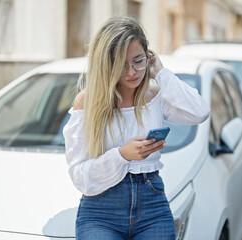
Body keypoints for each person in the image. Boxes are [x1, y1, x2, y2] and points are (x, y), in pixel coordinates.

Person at [63, 16, 209, 240]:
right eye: (121, 65)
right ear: (106, 64)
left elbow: (199, 111)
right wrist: (123, 155)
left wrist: (160, 72)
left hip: (152, 206)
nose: (131, 72)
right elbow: (80, 176)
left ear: (148, 57)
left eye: (138, 61)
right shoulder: (87, 102)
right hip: (101, 211)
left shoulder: (155, 96)